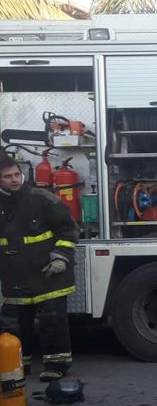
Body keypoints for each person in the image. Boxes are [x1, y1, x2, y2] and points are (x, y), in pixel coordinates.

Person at [0, 155, 78, 381]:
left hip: (48, 274)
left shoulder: (42, 199)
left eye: (17, 174)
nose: (14, 180)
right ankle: (17, 366)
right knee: (14, 325)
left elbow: (69, 230)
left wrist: (61, 258)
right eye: (7, 177)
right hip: (15, 277)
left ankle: (57, 365)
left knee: (52, 322)